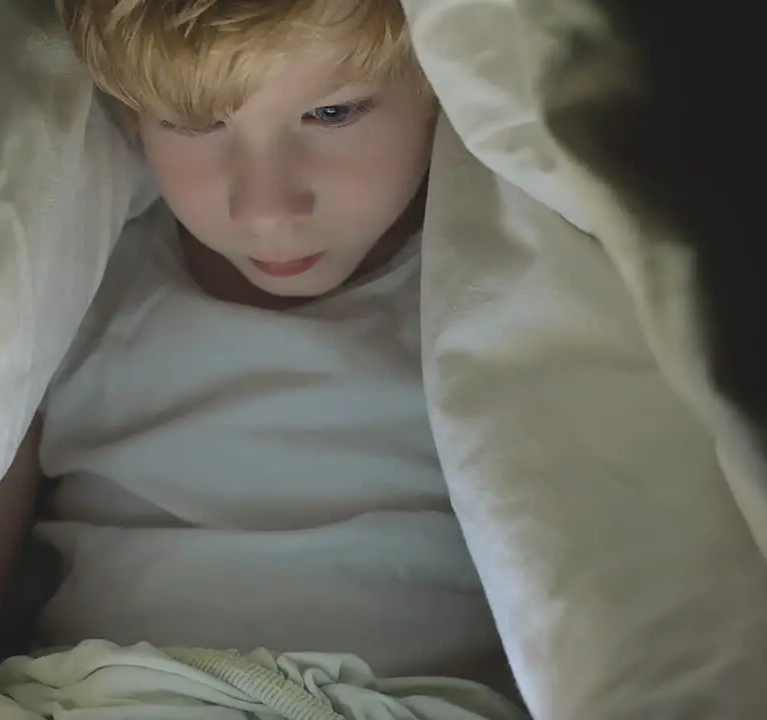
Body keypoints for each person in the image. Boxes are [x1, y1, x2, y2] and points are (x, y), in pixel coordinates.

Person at [29, 0, 505, 683]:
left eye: (333, 113)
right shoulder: (78, 290)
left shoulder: (495, 284)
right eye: (193, 122)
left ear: (437, 84)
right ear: (133, 116)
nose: (265, 209)